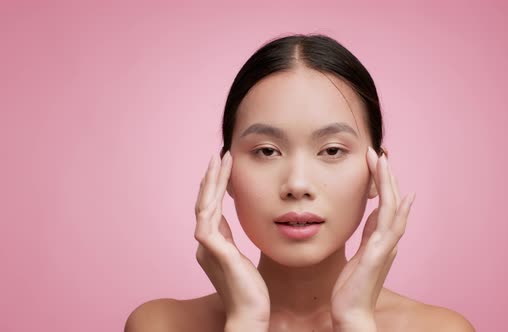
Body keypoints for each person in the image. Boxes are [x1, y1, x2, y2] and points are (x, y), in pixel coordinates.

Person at [125, 34, 475, 332]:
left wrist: (354, 320)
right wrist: (246, 320)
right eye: (266, 151)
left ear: (377, 171)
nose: (297, 184)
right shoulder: (161, 324)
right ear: (225, 172)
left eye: (332, 150)